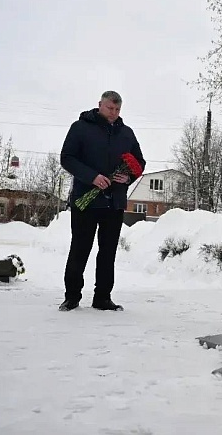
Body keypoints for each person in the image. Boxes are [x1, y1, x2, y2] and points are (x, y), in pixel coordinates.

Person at [58, 91, 146, 311]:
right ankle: (72, 296)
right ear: (100, 105)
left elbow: (139, 162)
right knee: (80, 248)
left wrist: (129, 177)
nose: (113, 113)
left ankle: (103, 297)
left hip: (114, 202)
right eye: (110, 108)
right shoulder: (80, 128)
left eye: (117, 110)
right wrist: (92, 177)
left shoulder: (126, 134)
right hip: (85, 201)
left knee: (108, 251)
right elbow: (67, 158)